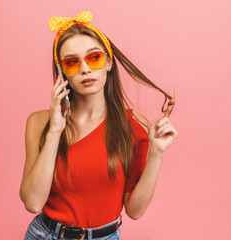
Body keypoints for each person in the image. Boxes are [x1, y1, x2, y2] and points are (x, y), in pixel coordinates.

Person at [19, 11, 178, 240]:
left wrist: (157, 153)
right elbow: (33, 202)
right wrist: (55, 130)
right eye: (72, 63)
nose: (85, 69)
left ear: (109, 62)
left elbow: (135, 211)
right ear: (62, 72)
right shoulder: (39, 122)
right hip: (43, 235)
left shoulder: (133, 126)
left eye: (94, 58)